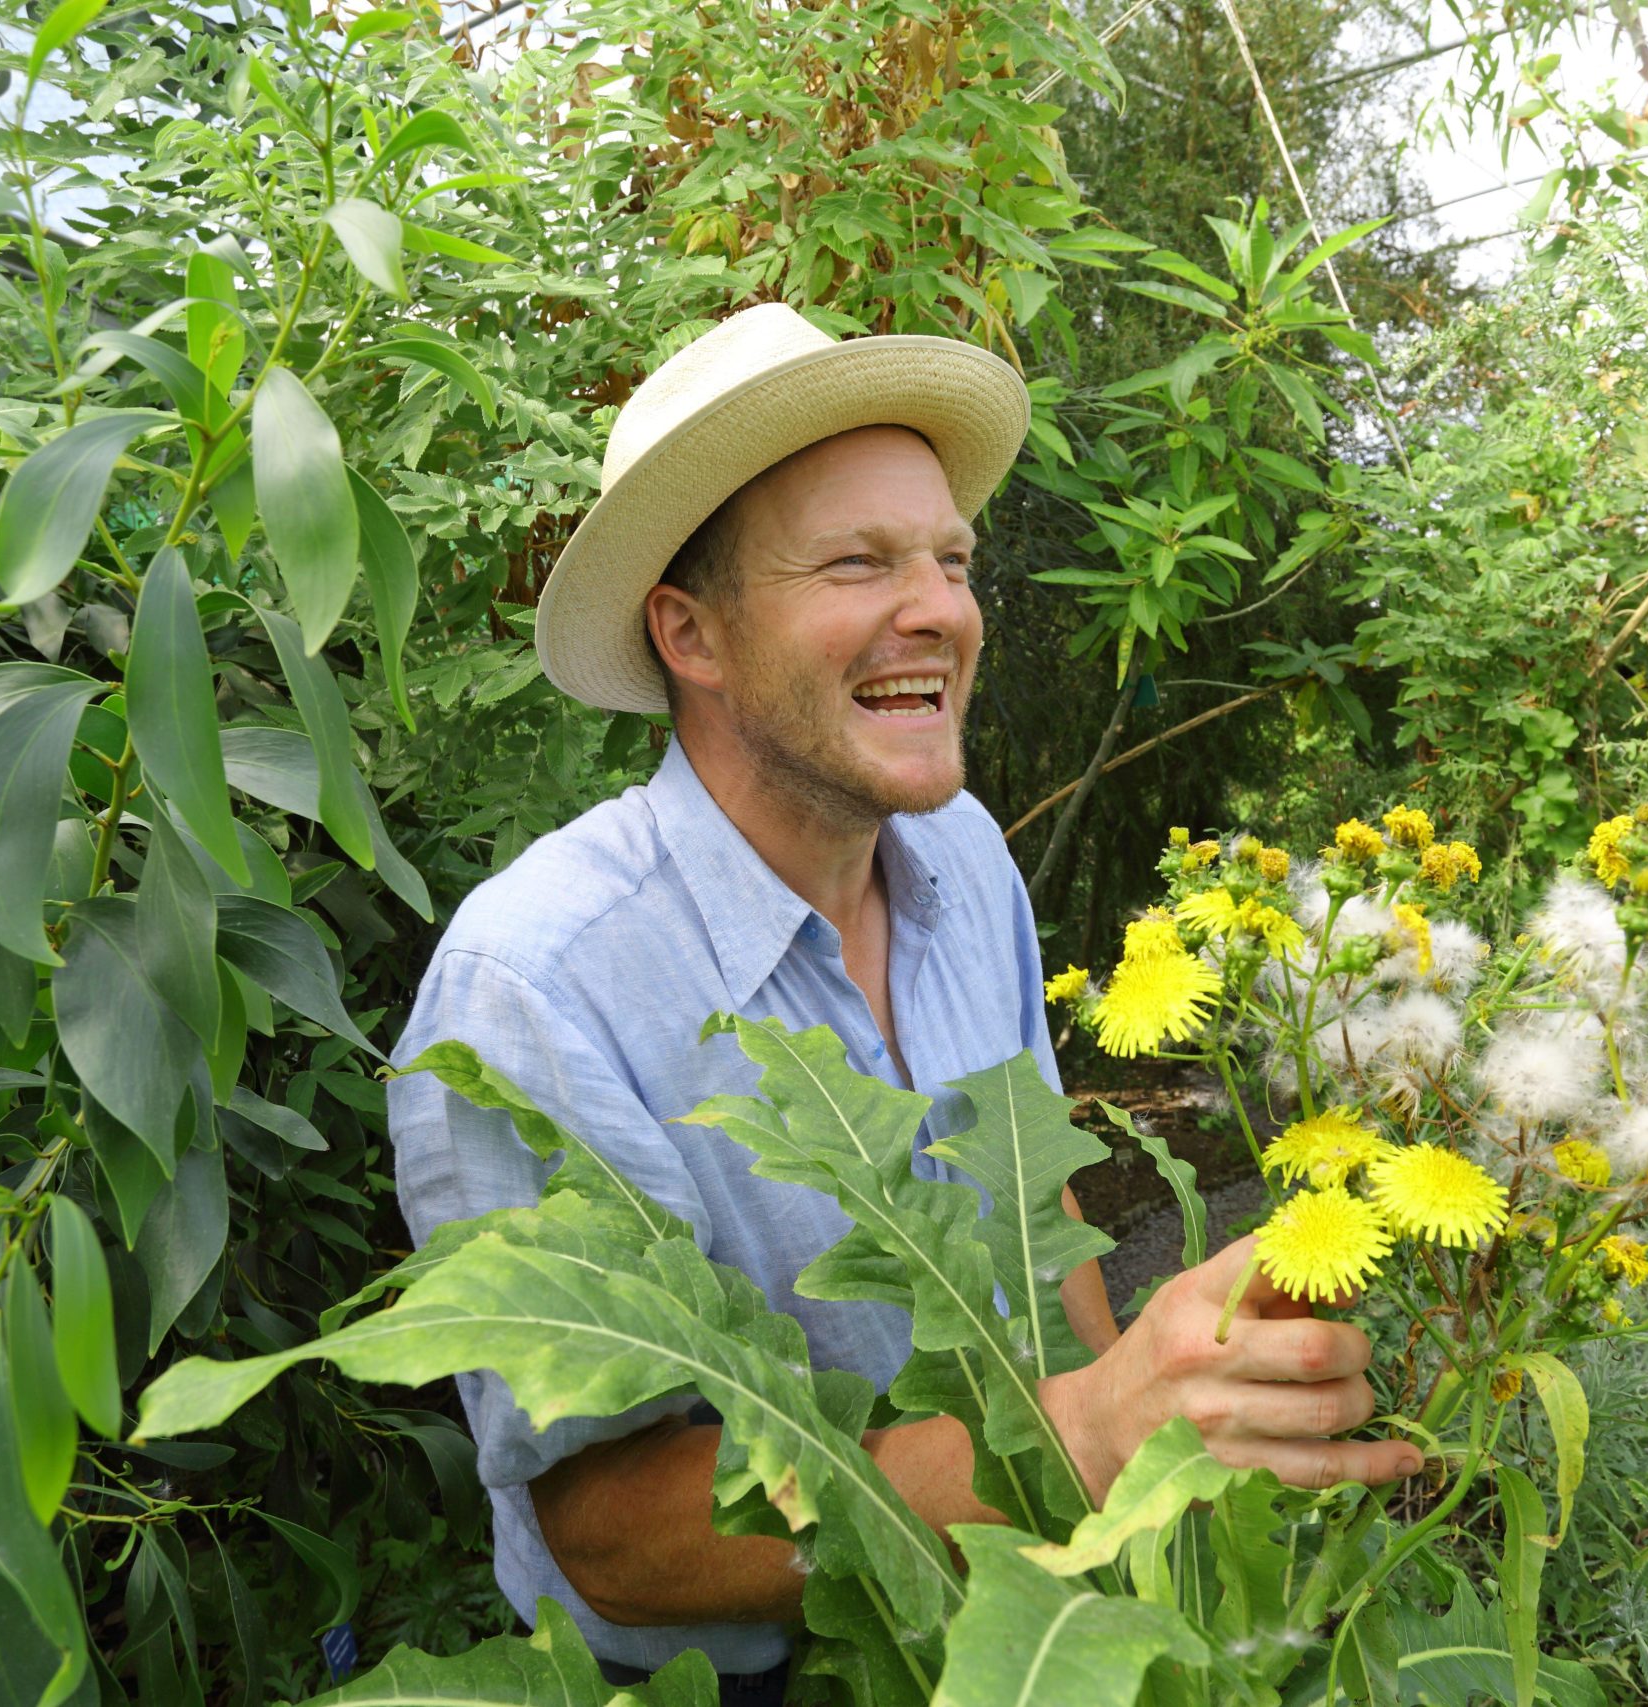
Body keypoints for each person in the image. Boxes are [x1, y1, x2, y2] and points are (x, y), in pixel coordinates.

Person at [386, 304, 1424, 1700]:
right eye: (858, 562)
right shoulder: (533, 987)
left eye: (950, 557)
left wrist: (1129, 1505)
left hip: (1034, 1608)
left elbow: (1038, 1210)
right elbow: (613, 1538)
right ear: (690, 633)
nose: (938, 607)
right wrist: (1080, 1442)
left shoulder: (964, 854)